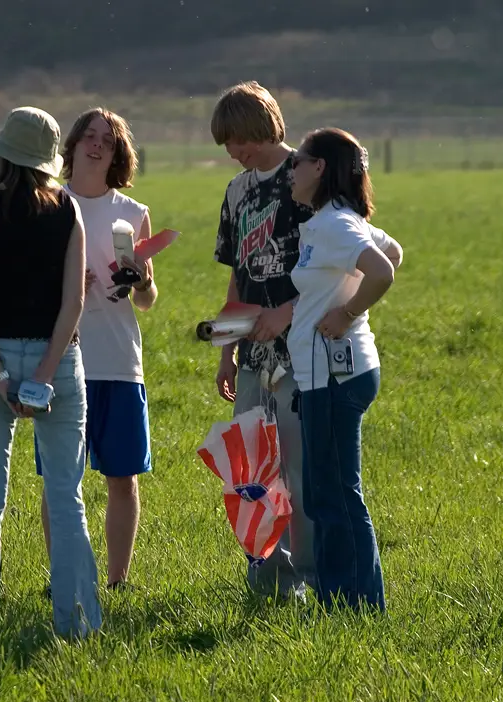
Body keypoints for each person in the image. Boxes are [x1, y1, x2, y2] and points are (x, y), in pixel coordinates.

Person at [0, 106, 102, 639]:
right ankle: (77, 625)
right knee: (66, 497)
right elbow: (72, 303)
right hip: (56, 361)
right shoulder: (66, 212)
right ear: (49, 160)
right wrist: (43, 371)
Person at [34, 108, 156, 592]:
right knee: (61, 480)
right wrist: (64, 286)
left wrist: (142, 280)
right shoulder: (46, 204)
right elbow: (28, 289)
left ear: (118, 152)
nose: (96, 144)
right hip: (63, 360)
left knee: (122, 479)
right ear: (72, 145)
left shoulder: (133, 213)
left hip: (120, 363)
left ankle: (118, 580)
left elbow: (146, 301)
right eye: (88, 135)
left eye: (107, 138)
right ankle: (62, 573)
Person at [209, 81, 317, 601]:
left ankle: (310, 579)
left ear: (264, 125)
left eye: (240, 139)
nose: (235, 151)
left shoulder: (308, 175)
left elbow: (333, 270)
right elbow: (237, 276)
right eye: (228, 144)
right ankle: (266, 579)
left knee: (297, 468)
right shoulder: (236, 191)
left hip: (304, 351)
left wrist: (287, 311)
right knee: (251, 468)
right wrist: (228, 350)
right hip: (253, 353)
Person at [287, 127, 402, 611]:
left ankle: (357, 604)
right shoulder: (333, 220)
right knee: (324, 490)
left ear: (319, 168)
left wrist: (348, 313)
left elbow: (383, 269)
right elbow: (392, 249)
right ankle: (342, 596)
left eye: (299, 162)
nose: (291, 171)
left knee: (335, 493)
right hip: (329, 375)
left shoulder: (336, 225)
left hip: (336, 376)